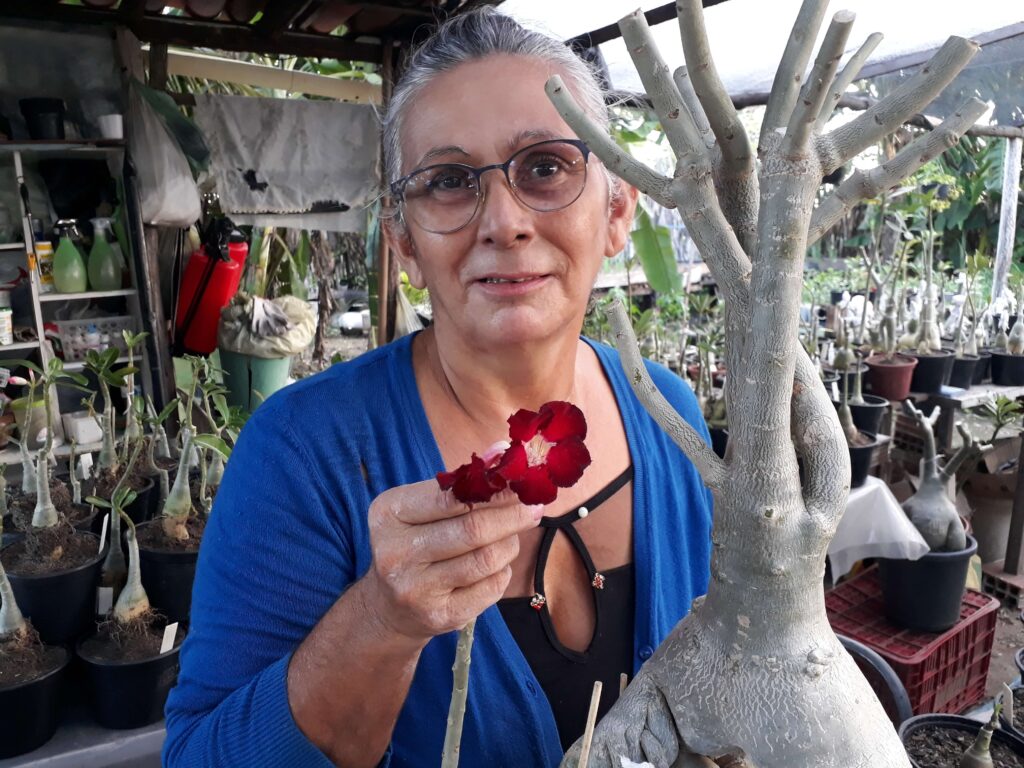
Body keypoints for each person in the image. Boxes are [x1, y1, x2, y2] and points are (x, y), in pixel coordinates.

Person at [163, 8, 712, 767]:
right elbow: (199, 757)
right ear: (404, 243)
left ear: (617, 211)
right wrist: (379, 624)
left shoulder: (669, 415)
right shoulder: (305, 454)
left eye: (546, 166)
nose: (504, 221)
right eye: (450, 182)